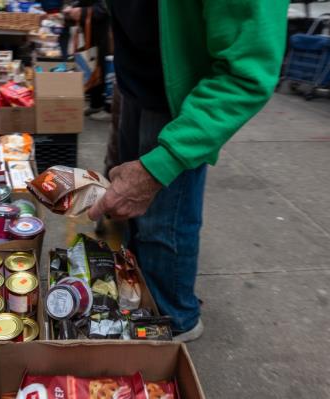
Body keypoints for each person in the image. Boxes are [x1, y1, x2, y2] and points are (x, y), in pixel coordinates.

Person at [88, 1, 288, 341]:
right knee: (133, 216)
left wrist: (164, 162)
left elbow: (247, 74)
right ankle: (144, 296)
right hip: (134, 84)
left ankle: (176, 321)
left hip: (178, 105)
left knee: (162, 227)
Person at [60, 1, 111, 121]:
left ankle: (108, 108)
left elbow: (103, 9)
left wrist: (80, 12)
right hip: (93, 35)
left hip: (105, 36)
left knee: (104, 69)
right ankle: (96, 104)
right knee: (92, 69)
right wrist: (72, 9)